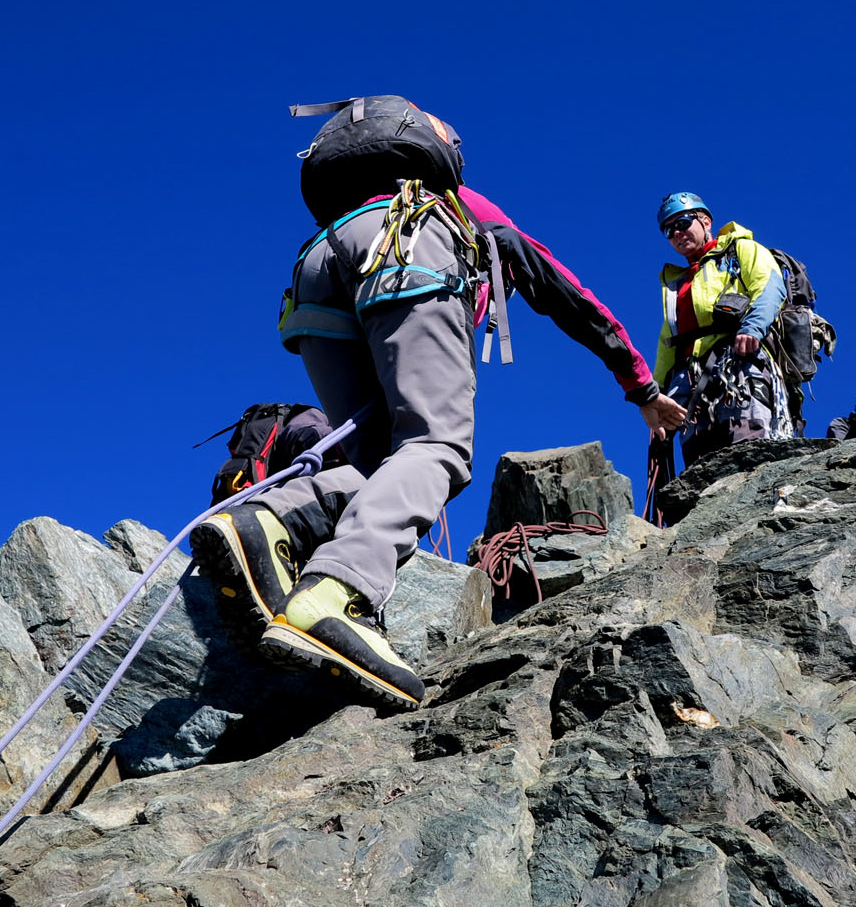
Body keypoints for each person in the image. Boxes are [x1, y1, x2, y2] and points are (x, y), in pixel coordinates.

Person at [193, 95, 684, 710]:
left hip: (315, 270)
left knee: (382, 469)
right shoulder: (462, 208)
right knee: (437, 444)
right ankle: (337, 591)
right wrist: (642, 388)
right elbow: (567, 293)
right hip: (404, 245)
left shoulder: (347, 201)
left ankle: (269, 518)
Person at [654, 191, 793, 466]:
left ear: (705, 221)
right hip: (690, 382)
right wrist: (655, 396)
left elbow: (770, 286)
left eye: (682, 222)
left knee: (749, 447)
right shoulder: (677, 284)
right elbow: (668, 340)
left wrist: (752, 328)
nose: (677, 233)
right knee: (698, 462)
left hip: (738, 364)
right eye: (669, 231)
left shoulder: (741, 250)